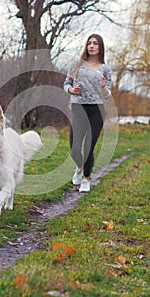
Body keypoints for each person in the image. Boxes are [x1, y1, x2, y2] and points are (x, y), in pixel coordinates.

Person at [63, 34, 112, 192]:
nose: (91, 46)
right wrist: (72, 90)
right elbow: (66, 84)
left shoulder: (105, 69)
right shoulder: (76, 64)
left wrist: (103, 86)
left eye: (95, 44)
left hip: (96, 109)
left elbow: (107, 95)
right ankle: (80, 167)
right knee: (75, 147)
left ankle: (86, 179)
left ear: (100, 47)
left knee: (89, 146)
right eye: (89, 43)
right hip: (78, 107)